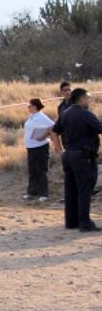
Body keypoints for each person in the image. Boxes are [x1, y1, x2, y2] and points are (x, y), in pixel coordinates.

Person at [52, 88, 102, 232]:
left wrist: (60, 150)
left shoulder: (65, 113)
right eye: (88, 98)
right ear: (81, 99)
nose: (89, 100)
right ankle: (85, 223)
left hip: (68, 155)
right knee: (84, 189)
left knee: (71, 189)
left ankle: (71, 221)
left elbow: (54, 132)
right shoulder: (85, 114)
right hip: (83, 157)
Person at [23, 98, 54, 201]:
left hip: (40, 147)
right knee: (32, 170)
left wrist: (44, 136)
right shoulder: (32, 117)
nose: (28, 107)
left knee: (41, 170)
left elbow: (53, 126)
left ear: (35, 106)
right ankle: (32, 192)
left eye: (30, 105)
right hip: (31, 147)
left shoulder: (41, 117)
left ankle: (43, 194)